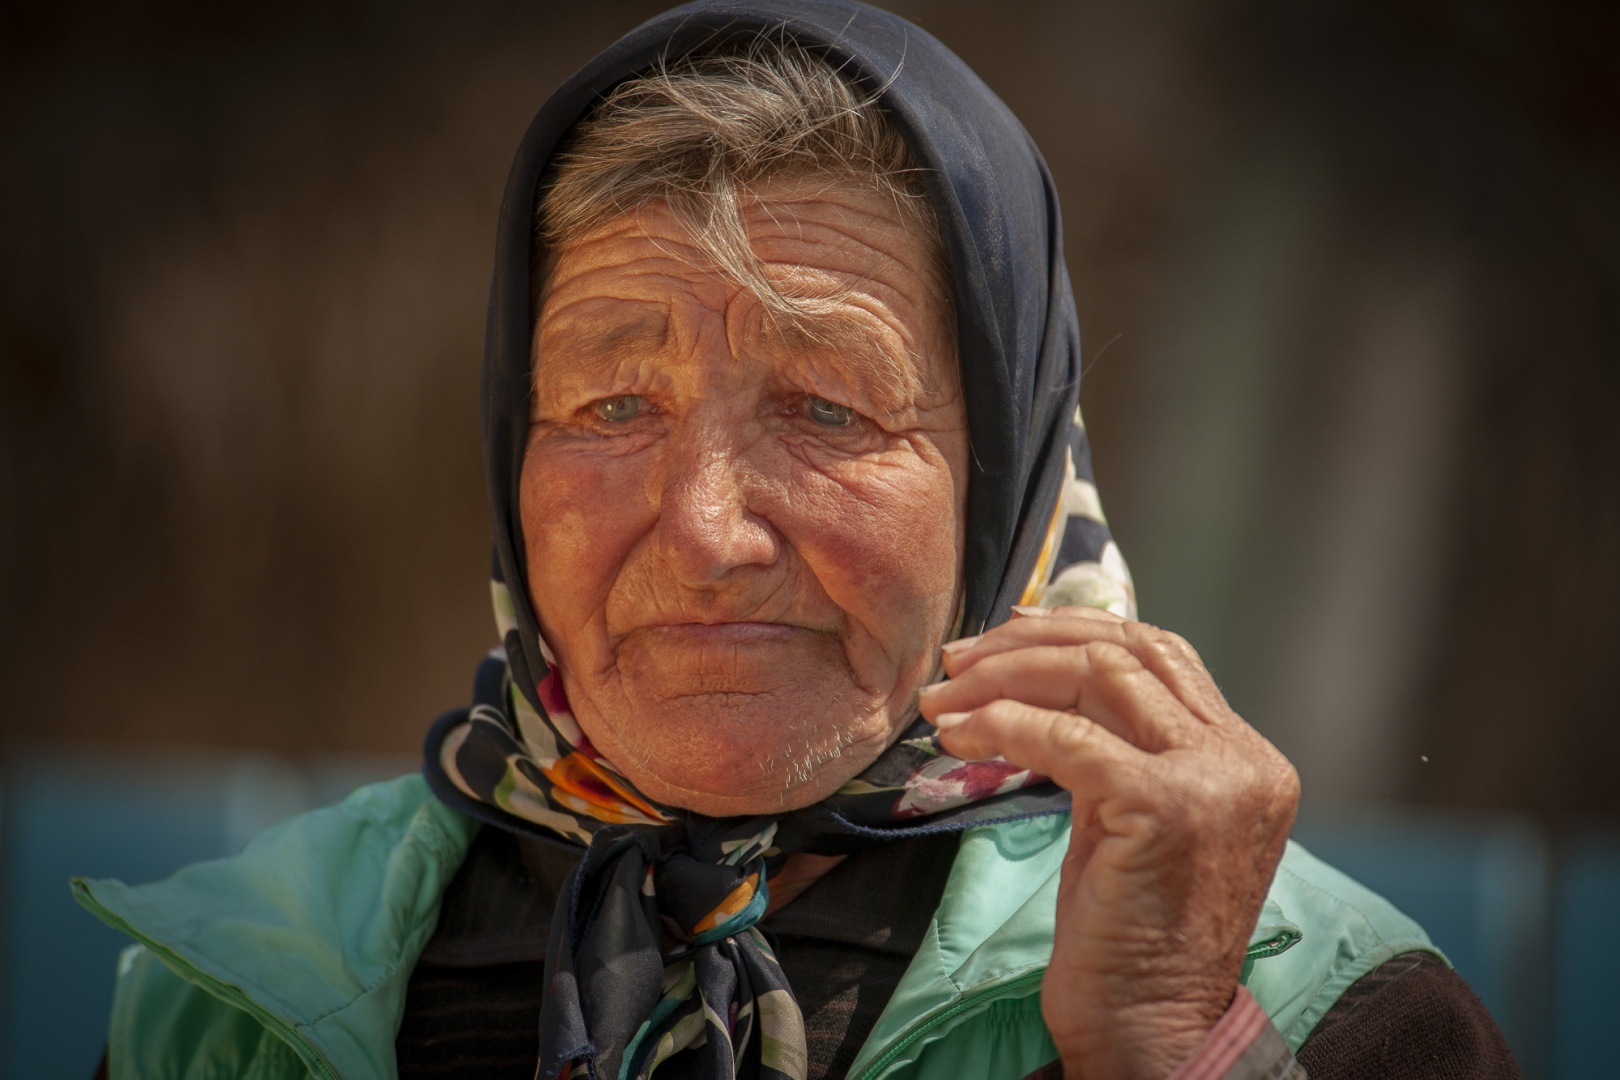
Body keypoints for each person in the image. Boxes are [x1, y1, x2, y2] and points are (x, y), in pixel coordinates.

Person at [75, 2, 1522, 1077]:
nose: (707, 533)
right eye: (611, 400)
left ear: (1005, 479)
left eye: (829, 407)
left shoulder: (1326, 1003)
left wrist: (1168, 1046)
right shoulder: (245, 990)